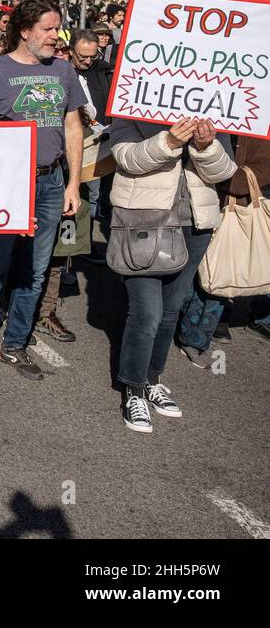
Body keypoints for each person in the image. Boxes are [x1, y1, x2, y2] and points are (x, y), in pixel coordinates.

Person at [0, 0, 84, 382]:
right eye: (48, 29)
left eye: (57, 28)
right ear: (24, 31)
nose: (56, 36)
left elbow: (72, 128)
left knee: (35, 271)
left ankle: (14, 345)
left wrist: (73, 183)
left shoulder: (64, 71)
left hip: (51, 182)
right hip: (6, 184)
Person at [111, 116, 236, 433]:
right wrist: (169, 142)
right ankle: (134, 389)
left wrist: (207, 147)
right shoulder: (133, 105)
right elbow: (126, 158)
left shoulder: (213, 116)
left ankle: (153, 378)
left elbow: (224, 173)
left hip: (194, 225)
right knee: (147, 313)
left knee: (170, 310)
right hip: (144, 222)